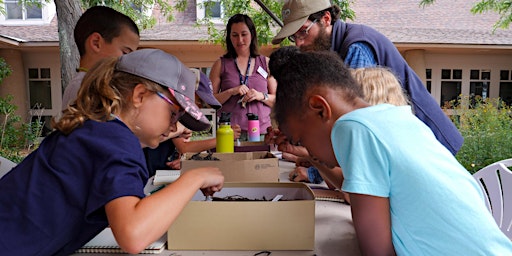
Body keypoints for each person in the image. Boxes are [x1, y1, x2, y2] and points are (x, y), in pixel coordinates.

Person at [272, 50, 512, 255]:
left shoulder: (353, 128)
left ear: (320, 108)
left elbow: (377, 251)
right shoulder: (393, 117)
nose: (309, 150)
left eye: (302, 138)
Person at [0, 49, 224, 255]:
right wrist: (195, 177)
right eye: (173, 113)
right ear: (139, 96)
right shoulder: (117, 140)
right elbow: (133, 235)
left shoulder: (97, 130)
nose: (175, 126)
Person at [271, 0, 463, 156]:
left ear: (326, 19)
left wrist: (315, 165)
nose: (299, 43)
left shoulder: (356, 47)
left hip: (430, 147)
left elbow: (355, 125)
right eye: (293, 37)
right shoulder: (334, 51)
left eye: (303, 31)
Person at [290, 66, 411, 185]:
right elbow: (339, 182)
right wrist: (312, 155)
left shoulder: (371, 138)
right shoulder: (404, 133)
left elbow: (351, 192)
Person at [144, 69, 241, 175]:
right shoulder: (171, 115)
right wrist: (223, 139)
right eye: (198, 100)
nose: (199, 106)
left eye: (202, 104)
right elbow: (184, 147)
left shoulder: (183, 117)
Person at [209, 14, 277, 141]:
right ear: (229, 37)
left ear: (252, 34)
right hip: (230, 133)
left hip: (261, 133)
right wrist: (231, 92)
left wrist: (261, 96)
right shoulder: (221, 64)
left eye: (244, 34)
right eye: (235, 35)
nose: (240, 40)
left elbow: (277, 99)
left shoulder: (265, 63)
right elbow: (210, 101)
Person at [62, 5, 140, 109]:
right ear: (96, 43)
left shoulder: (99, 86)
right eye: (125, 53)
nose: (129, 61)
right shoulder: (82, 88)